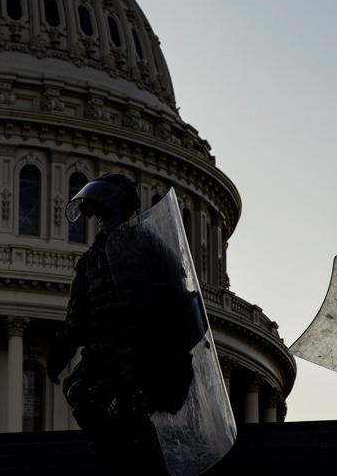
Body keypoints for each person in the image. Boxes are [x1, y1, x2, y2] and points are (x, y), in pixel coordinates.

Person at [47, 173, 199, 473]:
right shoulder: (92, 260)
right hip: (105, 357)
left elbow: (180, 298)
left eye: (101, 213)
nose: (98, 221)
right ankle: (115, 457)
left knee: (134, 414)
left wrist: (173, 344)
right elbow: (78, 318)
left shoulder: (148, 245)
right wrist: (61, 350)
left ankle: (140, 459)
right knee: (80, 393)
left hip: (144, 353)